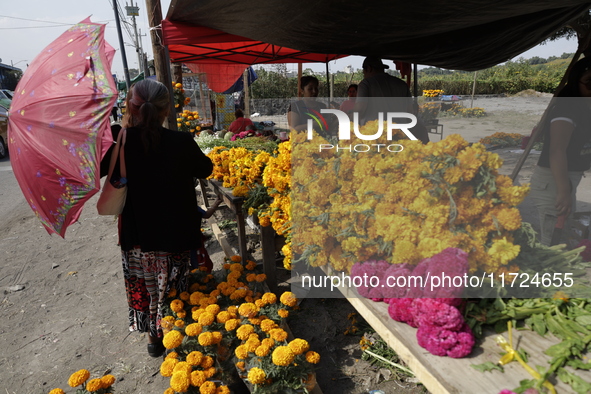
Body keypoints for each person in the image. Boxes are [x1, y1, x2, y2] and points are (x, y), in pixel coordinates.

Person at [110, 79, 213, 358]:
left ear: (132, 107)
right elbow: (206, 168)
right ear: (167, 109)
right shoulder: (181, 141)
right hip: (175, 234)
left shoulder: (119, 140)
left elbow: (103, 173)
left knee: (146, 287)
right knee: (173, 291)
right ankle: (178, 339)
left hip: (138, 236)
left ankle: (154, 340)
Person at [530, 56, 591, 245]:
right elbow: (556, 151)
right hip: (554, 181)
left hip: (566, 178)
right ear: (576, 81)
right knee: (552, 242)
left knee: (560, 237)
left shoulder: (583, 105)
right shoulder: (567, 108)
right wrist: (563, 191)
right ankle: (546, 274)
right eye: (590, 82)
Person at [354, 56, 429, 144]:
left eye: (364, 72)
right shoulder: (402, 84)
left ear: (369, 68)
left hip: (376, 137)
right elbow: (410, 111)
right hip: (400, 135)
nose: (364, 75)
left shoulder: (366, 83)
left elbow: (360, 109)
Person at [191, 196, 224, 272]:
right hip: (194, 241)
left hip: (183, 244)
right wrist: (216, 203)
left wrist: (216, 203)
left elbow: (206, 215)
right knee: (199, 262)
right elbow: (206, 215)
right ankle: (202, 278)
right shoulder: (190, 206)